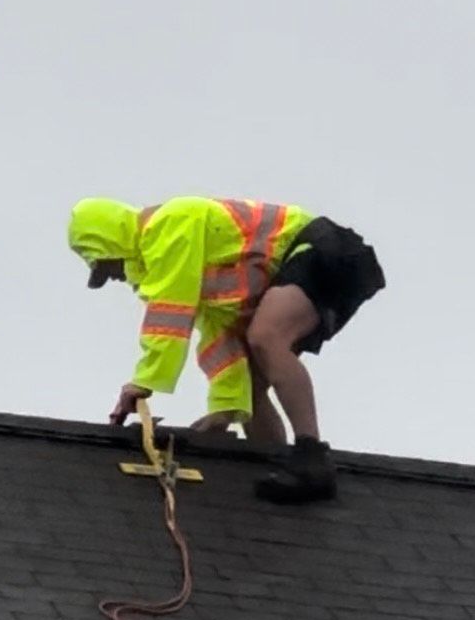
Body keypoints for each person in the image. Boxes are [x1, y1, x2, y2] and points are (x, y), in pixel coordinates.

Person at [68, 196, 385, 503]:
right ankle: (274, 462)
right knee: (251, 388)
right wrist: (226, 407)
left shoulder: (171, 225)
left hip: (323, 248)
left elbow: (170, 316)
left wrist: (143, 382)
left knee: (267, 337)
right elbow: (220, 332)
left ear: (111, 241)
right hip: (313, 264)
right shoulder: (186, 261)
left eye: (105, 265)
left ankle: (311, 454)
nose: (112, 276)